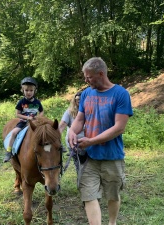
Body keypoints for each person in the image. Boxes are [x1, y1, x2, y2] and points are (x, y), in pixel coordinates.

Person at [68, 57, 133, 225]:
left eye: (88, 77)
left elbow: (119, 127)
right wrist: (72, 132)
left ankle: (112, 222)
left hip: (112, 156)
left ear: (101, 74)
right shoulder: (87, 94)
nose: (85, 80)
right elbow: (80, 119)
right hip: (90, 158)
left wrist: (91, 141)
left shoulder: (120, 94)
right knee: (88, 194)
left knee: (113, 195)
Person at [3, 77, 44, 163]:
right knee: (14, 133)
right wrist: (27, 118)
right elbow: (17, 114)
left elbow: (41, 111)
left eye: (31, 90)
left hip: (35, 122)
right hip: (24, 122)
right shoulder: (21, 102)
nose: (29, 92)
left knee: (48, 129)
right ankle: (9, 151)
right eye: (26, 90)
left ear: (34, 91)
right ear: (23, 90)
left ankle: (58, 147)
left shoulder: (37, 102)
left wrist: (39, 117)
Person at [59, 91, 85, 174]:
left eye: (82, 99)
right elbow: (62, 125)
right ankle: (81, 182)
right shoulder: (69, 112)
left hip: (89, 143)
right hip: (74, 144)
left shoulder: (91, 111)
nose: (80, 101)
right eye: (78, 99)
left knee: (88, 167)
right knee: (79, 166)